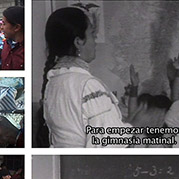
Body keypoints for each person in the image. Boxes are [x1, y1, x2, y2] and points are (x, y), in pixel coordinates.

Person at [40, 7, 132, 147]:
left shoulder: (53, 83)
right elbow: (107, 144)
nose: (95, 41)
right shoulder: (87, 85)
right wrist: (138, 124)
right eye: (92, 34)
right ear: (78, 42)